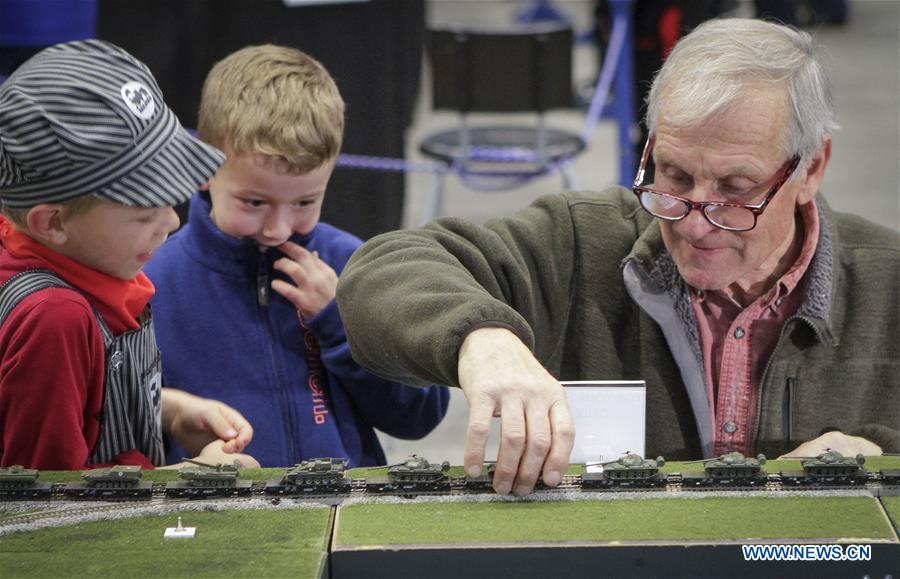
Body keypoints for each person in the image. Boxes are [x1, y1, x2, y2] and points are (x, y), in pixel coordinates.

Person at [336, 18, 899, 495]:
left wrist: (883, 451)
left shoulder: (887, 282)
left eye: (735, 189)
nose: (696, 221)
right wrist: (478, 337)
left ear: (812, 167)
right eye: (674, 176)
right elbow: (382, 269)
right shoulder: (583, 243)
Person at [144, 45, 449, 468]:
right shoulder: (151, 281)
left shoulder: (354, 264)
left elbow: (421, 413)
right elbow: (117, 421)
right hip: (216, 520)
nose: (278, 228)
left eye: (305, 202)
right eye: (254, 202)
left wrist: (342, 324)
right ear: (204, 169)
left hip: (345, 516)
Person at [0, 39, 259, 471]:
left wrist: (170, 409)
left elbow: (83, 403)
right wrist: (201, 476)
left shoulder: (84, 261)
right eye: (144, 212)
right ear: (54, 223)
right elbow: (46, 512)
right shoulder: (54, 319)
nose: (173, 222)